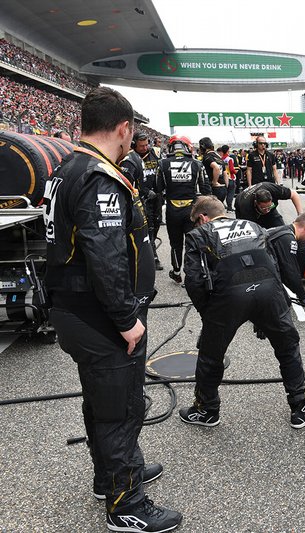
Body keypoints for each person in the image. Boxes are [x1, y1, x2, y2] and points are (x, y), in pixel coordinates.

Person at [43, 87, 182, 531]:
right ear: (124, 128)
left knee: (102, 401)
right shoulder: (98, 175)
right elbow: (105, 256)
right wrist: (127, 321)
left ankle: (111, 477)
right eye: (132, 132)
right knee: (122, 408)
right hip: (100, 317)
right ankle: (127, 505)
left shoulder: (68, 165)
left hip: (78, 311)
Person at [179, 196, 305, 429]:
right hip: (269, 291)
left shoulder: (198, 234)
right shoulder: (254, 226)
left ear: (203, 218)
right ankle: (300, 406)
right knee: (287, 347)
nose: (196, 226)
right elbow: (273, 264)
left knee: (210, 354)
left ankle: (207, 410)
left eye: (196, 221)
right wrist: (272, 310)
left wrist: (209, 315)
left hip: (229, 295)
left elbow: (194, 280)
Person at [155, 135, 211, 284]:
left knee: (175, 244)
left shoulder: (162, 163)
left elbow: (158, 187)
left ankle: (177, 271)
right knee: (194, 242)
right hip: (192, 209)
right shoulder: (197, 164)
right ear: (187, 147)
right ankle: (193, 274)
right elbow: (206, 188)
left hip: (172, 209)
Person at [264, 212, 305, 309]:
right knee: (282, 306)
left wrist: (300, 291)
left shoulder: (283, 230)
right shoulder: (289, 239)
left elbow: (283, 269)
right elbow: (290, 271)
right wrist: (303, 297)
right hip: (253, 272)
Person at [132, 131, 164, 271]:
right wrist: (144, 192)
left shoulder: (155, 154)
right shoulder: (131, 158)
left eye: (146, 145)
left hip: (157, 196)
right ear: (134, 145)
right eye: (141, 146)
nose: (144, 148)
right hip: (141, 198)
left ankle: (151, 247)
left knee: (157, 222)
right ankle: (152, 256)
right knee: (148, 226)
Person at [235, 181, 304, 230]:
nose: (267, 210)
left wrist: (300, 215)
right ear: (256, 203)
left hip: (269, 210)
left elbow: (294, 194)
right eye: (264, 208)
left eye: (269, 207)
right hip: (243, 207)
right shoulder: (245, 207)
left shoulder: (272, 189)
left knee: (281, 230)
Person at [199, 137, 227, 203]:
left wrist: (215, 182)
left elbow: (216, 168)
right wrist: (225, 186)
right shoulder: (218, 157)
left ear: (203, 146)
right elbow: (225, 173)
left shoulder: (207, 156)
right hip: (222, 188)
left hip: (213, 189)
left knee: (210, 211)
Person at [218, 145, 237, 211]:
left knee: (224, 193)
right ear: (228, 150)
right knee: (231, 193)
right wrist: (236, 171)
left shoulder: (220, 159)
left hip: (222, 178)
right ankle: (229, 207)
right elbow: (232, 170)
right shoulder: (230, 159)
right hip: (230, 178)